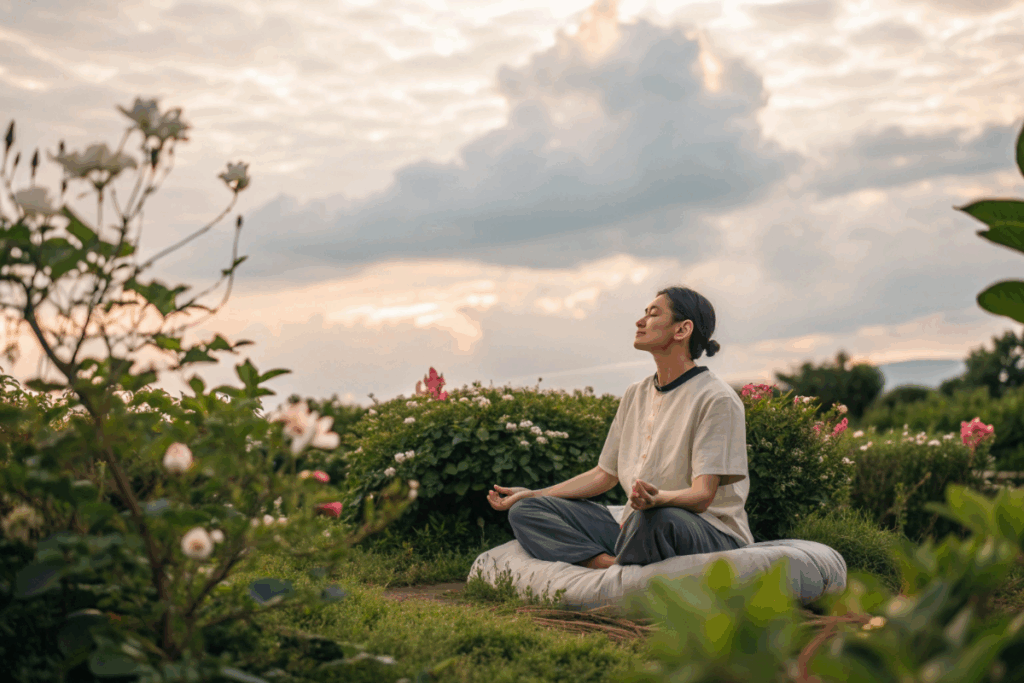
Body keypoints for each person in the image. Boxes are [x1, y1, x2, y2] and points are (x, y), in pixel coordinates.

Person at [486, 286, 754, 569]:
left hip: (703, 531)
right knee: (526, 511)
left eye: (653, 314)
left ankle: (625, 564)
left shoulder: (717, 399)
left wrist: (659, 499)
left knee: (654, 518)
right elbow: (604, 475)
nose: (640, 322)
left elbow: (702, 496)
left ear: (682, 330)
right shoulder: (635, 394)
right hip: (636, 525)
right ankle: (609, 566)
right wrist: (534, 493)